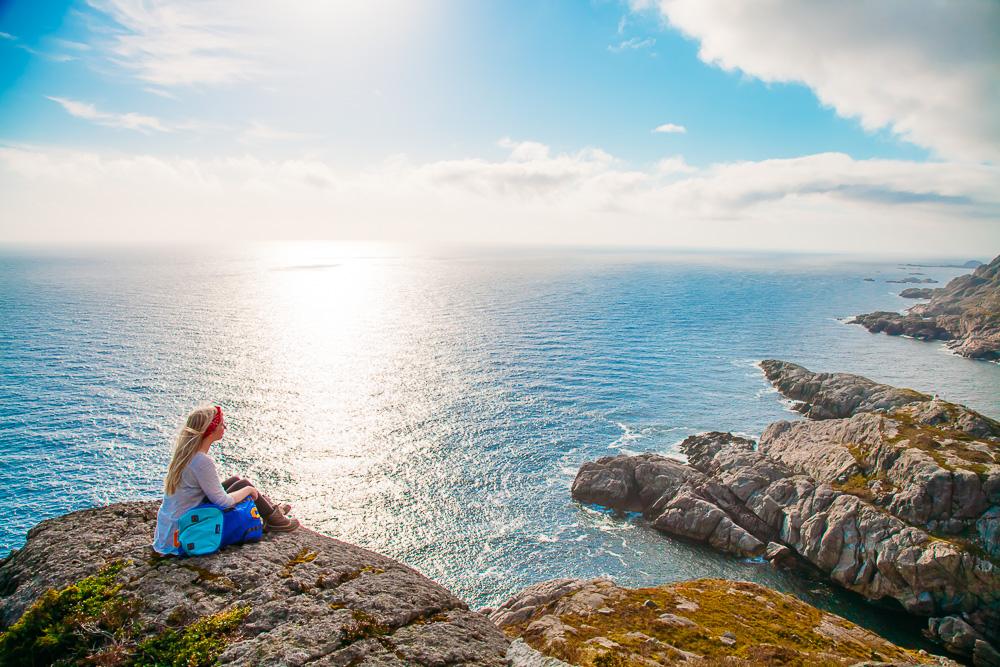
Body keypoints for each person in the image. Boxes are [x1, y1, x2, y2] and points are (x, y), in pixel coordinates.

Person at [152, 405, 299, 556]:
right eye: (222, 424)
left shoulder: (185, 454)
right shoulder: (201, 461)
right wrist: (250, 490)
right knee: (244, 485)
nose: (225, 427)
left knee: (236, 480)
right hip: (185, 531)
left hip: (170, 531)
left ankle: (272, 512)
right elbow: (223, 501)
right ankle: (276, 521)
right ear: (211, 430)